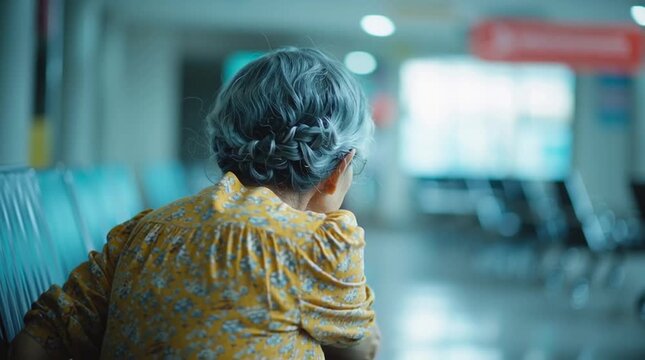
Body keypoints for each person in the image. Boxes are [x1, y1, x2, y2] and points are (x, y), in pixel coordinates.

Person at [10, 47, 379, 359]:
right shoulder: (320, 245)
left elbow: (39, 337)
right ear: (337, 169)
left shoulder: (140, 232)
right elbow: (359, 349)